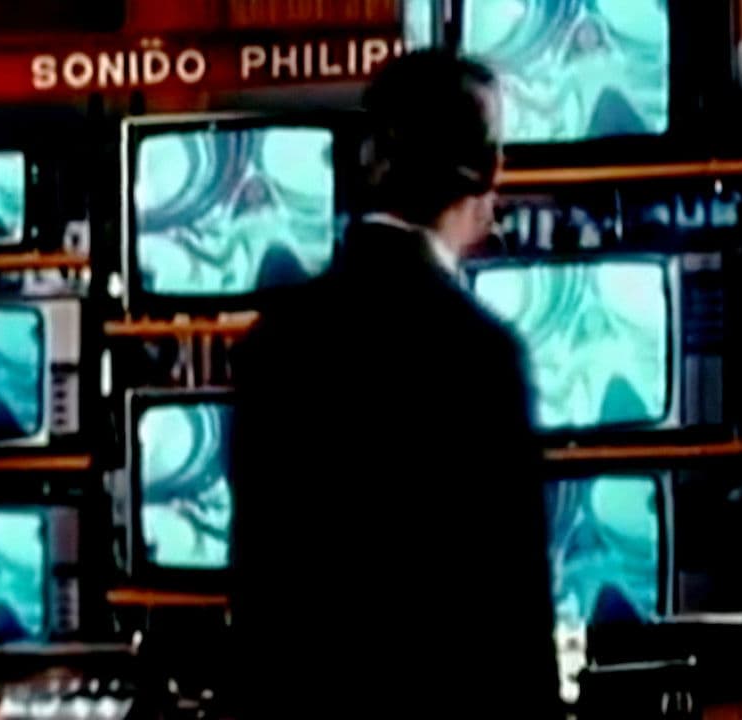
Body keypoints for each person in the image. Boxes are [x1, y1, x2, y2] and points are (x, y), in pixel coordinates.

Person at [229, 51, 558, 718]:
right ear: (489, 170)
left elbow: (256, 596)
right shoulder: (482, 354)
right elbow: (515, 619)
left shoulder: (272, 344)